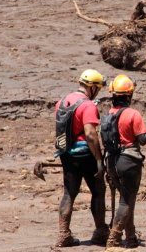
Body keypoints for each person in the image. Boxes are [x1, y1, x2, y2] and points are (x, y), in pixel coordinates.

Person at [101, 74, 146, 248]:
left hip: (111, 161)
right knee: (126, 200)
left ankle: (131, 237)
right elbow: (143, 139)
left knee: (127, 198)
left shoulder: (108, 114)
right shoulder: (133, 114)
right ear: (129, 95)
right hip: (128, 162)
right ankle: (114, 238)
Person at [54, 69, 109, 247]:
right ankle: (101, 232)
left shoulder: (61, 102)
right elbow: (91, 134)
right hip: (86, 154)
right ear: (92, 87)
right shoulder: (88, 106)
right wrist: (99, 161)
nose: (98, 91)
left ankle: (63, 234)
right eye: (98, 88)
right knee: (98, 190)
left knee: (69, 194)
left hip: (66, 154)